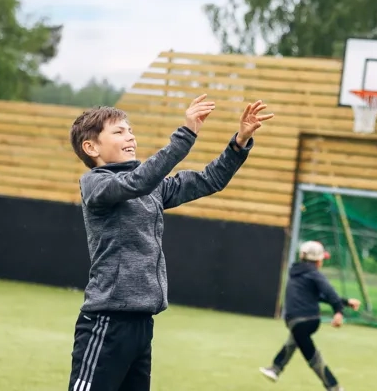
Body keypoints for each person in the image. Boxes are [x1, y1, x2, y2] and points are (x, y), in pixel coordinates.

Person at [67, 94, 273, 391]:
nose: (130, 136)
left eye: (130, 129)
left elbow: (208, 180)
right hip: (107, 322)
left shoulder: (151, 188)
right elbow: (137, 181)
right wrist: (187, 132)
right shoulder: (96, 184)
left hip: (142, 325)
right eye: (119, 131)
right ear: (91, 147)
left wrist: (239, 142)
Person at [259, 240, 361, 391]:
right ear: (317, 260)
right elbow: (326, 293)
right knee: (298, 345)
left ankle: (332, 386)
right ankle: (276, 369)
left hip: (297, 320)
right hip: (308, 319)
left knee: (310, 354)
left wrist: (342, 306)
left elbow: (325, 294)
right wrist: (340, 308)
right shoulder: (312, 274)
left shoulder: (297, 274)